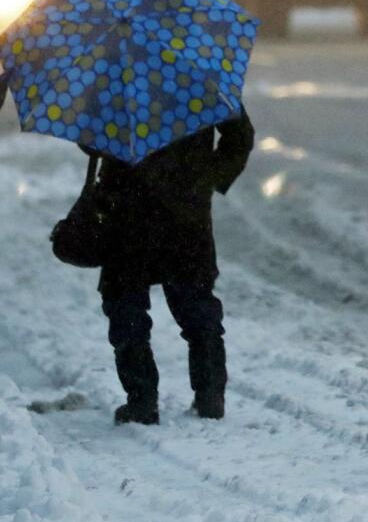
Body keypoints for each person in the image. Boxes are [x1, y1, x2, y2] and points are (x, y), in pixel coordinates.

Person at [95, 109, 254, 425]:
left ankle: (141, 402)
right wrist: (207, 177)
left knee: (126, 304)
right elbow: (240, 136)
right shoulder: (197, 72)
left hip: (128, 209)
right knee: (195, 304)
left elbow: (93, 137)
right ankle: (210, 396)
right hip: (184, 211)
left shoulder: (113, 75)